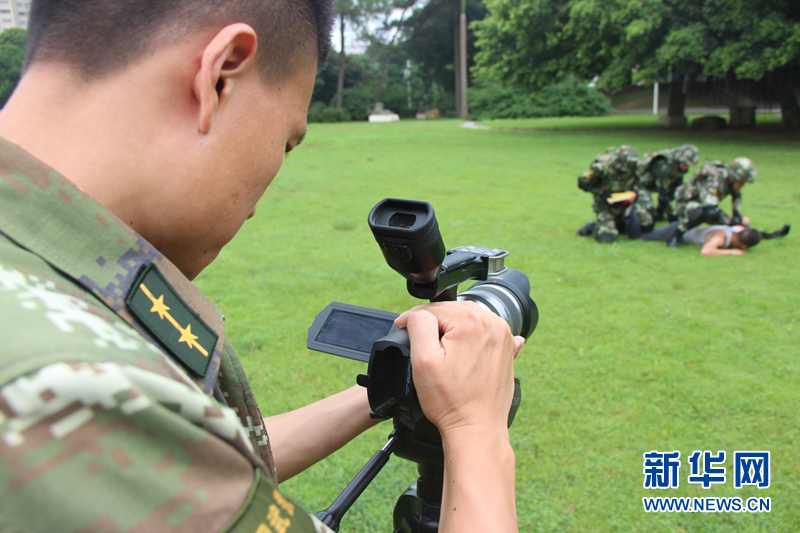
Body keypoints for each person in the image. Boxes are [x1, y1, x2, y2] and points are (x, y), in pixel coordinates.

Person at [0, 2, 524, 532]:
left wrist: (399, 384)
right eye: (287, 142)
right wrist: (474, 427)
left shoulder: (42, 292)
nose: (259, 201)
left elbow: (199, 464)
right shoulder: (68, 385)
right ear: (221, 75)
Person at [665, 157, 757, 248]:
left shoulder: (729, 180)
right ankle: (676, 234)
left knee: (713, 213)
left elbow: (736, 195)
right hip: (685, 204)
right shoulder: (715, 178)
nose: (742, 185)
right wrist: (730, 221)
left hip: (701, 204)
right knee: (709, 213)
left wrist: (736, 213)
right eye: (741, 182)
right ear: (733, 178)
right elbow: (710, 206)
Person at [576, 145, 654, 242]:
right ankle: (593, 227)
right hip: (605, 206)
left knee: (647, 226)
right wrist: (601, 193)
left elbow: (639, 183)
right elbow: (582, 182)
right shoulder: (602, 167)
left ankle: (619, 224)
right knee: (607, 238)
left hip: (626, 204)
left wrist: (635, 194)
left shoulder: (634, 168)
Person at [641, 221, 790, 255]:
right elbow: (706, 251)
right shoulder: (721, 237)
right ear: (743, 246)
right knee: (642, 236)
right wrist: (731, 252)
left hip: (687, 226)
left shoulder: (737, 230)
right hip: (676, 230)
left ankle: (776, 234)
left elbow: (744, 222)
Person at [637, 144, 700, 222]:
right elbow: (663, 194)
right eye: (685, 163)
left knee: (671, 194)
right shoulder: (664, 164)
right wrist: (672, 216)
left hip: (657, 184)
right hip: (642, 185)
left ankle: (659, 212)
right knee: (649, 217)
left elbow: (676, 188)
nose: (687, 167)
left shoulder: (679, 166)